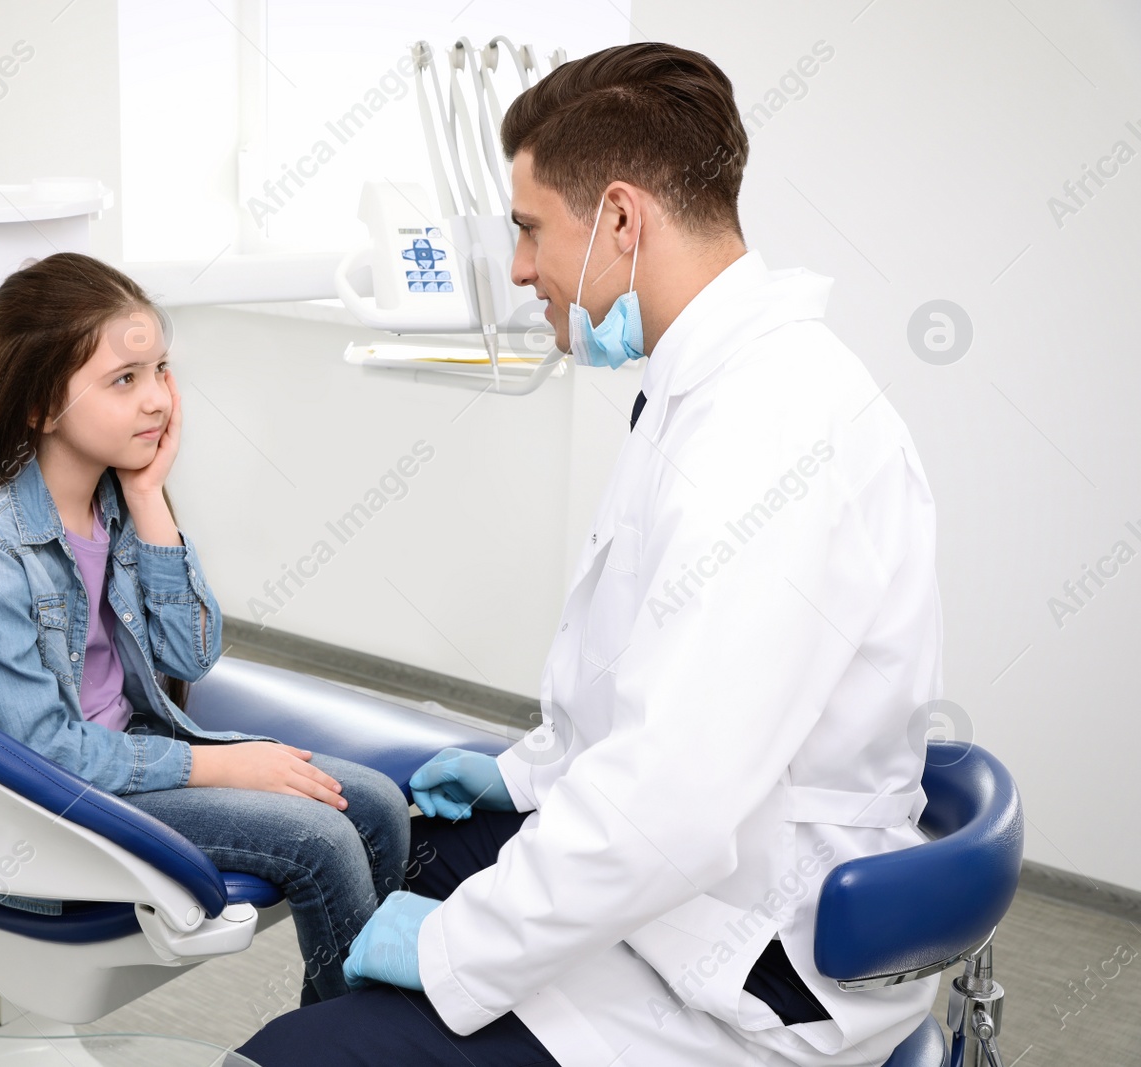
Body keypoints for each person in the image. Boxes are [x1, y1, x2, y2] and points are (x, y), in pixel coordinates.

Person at [239, 41, 942, 1067]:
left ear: (619, 217)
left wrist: (453, 946)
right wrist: (526, 775)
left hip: (745, 963)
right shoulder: (696, 387)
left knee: (282, 1055)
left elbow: (675, 797)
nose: (519, 267)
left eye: (529, 230)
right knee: (399, 846)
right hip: (693, 879)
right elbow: (646, 690)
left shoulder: (773, 429)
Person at [0, 252, 409, 1005]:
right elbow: (45, 756)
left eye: (160, 369)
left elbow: (191, 653)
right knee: (323, 838)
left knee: (377, 805)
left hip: (123, 760)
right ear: (40, 405)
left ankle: (360, 1035)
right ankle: (344, 1045)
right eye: (123, 379)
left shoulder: (114, 504)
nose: (158, 401)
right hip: (50, 812)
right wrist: (225, 767)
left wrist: (149, 498)